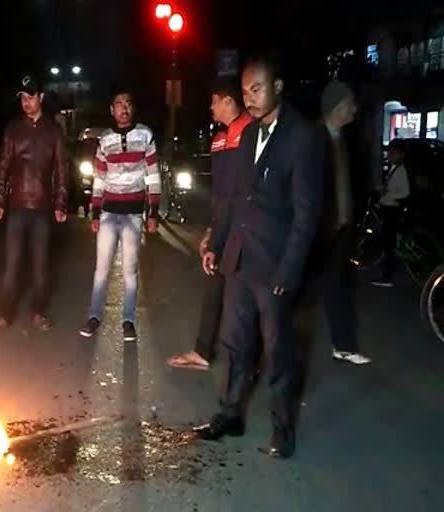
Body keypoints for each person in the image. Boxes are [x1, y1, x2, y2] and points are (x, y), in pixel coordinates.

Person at [193, 54, 324, 459]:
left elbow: (307, 215)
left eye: (258, 89)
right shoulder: (247, 135)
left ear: (278, 86)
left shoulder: (303, 138)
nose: (250, 98)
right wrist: (217, 244)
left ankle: (283, 429)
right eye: (246, 90)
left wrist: (289, 270)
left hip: (274, 269)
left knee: (278, 350)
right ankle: (230, 412)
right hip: (240, 259)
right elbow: (235, 199)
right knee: (234, 343)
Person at [168, 76, 252, 369]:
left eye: (214, 100)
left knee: (244, 295)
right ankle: (204, 350)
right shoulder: (219, 140)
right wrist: (211, 230)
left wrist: (219, 237)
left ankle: (247, 360)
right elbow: (219, 192)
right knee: (214, 284)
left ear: (228, 101)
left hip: (245, 227)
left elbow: (239, 193)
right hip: (224, 223)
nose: (210, 107)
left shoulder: (251, 133)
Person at [78, 86, 160, 343]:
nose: (123, 108)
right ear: (111, 110)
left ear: (132, 107)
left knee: (129, 271)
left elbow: (153, 176)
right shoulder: (105, 140)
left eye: (128, 103)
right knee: (101, 269)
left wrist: (153, 211)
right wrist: (95, 211)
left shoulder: (145, 135)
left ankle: (128, 320)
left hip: (133, 214)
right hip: (108, 214)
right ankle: (94, 316)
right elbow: (99, 179)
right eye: (118, 104)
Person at [0, 74, 68, 332]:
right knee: (11, 266)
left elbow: (61, 170)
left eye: (30, 96)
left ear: (41, 97)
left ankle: (38, 312)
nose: (26, 102)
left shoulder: (53, 131)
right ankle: (4, 314)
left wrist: (61, 203)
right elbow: (3, 166)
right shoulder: (13, 129)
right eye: (22, 97)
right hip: (17, 208)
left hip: (43, 209)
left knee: (40, 267)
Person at [316, 80, 371, 364]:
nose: (355, 109)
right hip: (315, 229)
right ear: (338, 106)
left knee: (338, 286)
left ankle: (344, 345)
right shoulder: (313, 139)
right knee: (288, 291)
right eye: (350, 103)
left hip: (340, 229)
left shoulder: (345, 140)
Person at [370, 139, 410, 288]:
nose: (389, 154)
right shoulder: (395, 168)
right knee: (388, 243)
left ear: (400, 154)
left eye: (392, 152)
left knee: (389, 244)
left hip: (392, 210)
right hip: (389, 208)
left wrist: (388, 194)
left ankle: (386, 277)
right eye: (389, 151)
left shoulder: (400, 170)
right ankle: (386, 273)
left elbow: (404, 192)